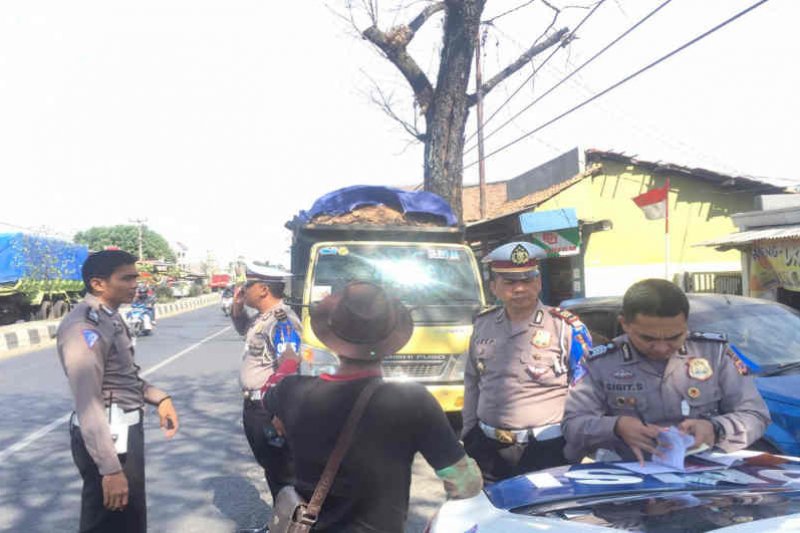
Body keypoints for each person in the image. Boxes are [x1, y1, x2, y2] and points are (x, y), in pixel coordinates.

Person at [265, 281, 482, 533]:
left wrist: (288, 366)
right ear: (390, 340)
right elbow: (467, 484)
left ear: (332, 337)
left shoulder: (292, 391)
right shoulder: (412, 401)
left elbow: (268, 404)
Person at [562, 278, 771, 464]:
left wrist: (717, 428)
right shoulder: (600, 362)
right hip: (630, 479)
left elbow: (755, 415)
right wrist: (616, 427)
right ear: (624, 324)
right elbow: (573, 425)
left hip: (704, 477)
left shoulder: (713, 353)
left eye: (673, 337)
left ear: (686, 324)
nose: (661, 348)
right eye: (648, 338)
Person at [57, 250, 179, 533]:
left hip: (122, 432)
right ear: (98, 284)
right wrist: (110, 468)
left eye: (135, 276)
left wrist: (160, 397)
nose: (135, 283)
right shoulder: (84, 326)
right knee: (108, 522)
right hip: (110, 438)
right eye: (127, 278)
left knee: (129, 521)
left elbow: (124, 378)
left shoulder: (109, 317)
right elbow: (89, 402)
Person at [461, 241, 592, 482]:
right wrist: (469, 433)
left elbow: (586, 389)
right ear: (494, 288)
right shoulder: (483, 324)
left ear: (539, 283)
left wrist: (575, 446)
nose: (519, 288)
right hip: (489, 449)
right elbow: (472, 382)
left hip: (548, 449)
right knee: (495, 515)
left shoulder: (566, 328)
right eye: (510, 282)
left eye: (527, 280)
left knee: (544, 518)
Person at [230, 262, 302, 530]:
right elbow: (244, 331)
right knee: (273, 470)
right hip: (255, 406)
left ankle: (295, 527)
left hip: (269, 409)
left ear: (262, 289)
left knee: (284, 473)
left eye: (247, 286)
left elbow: (290, 367)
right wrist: (237, 308)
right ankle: (281, 524)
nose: (242, 290)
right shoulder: (263, 318)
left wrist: (280, 413)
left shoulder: (281, 320)